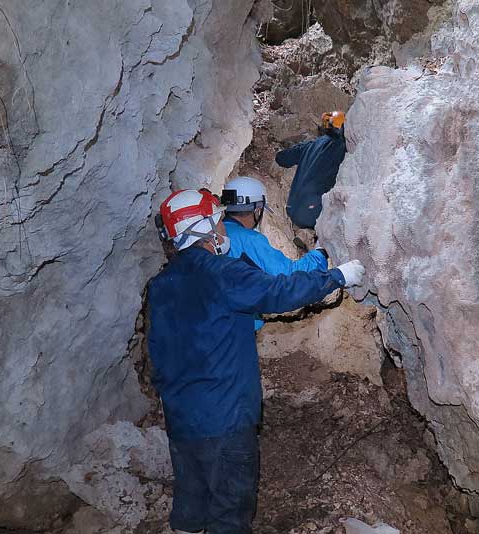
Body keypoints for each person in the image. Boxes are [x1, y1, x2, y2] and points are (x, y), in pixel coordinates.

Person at [147, 188, 365, 534]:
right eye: (218, 221)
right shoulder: (223, 273)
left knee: (192, 503)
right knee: (229, 514)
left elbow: (156, 352)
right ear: (202, 228)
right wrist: (338, 276)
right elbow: (280, 290)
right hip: (225, 418)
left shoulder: (160, 285)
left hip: (182, 421)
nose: (223, 230)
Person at [221, 175, 329, 330]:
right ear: (257, 210)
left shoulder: (214, 234)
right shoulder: (250, 240)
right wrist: (319, 254)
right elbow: (287, 274)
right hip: (240, 326)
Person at [275, 110, 347, 249]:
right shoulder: (343, 149)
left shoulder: (310, 145)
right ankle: (312, 237)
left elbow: (281, 158)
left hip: (292, 208)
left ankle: (304, 232)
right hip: (312, 213)